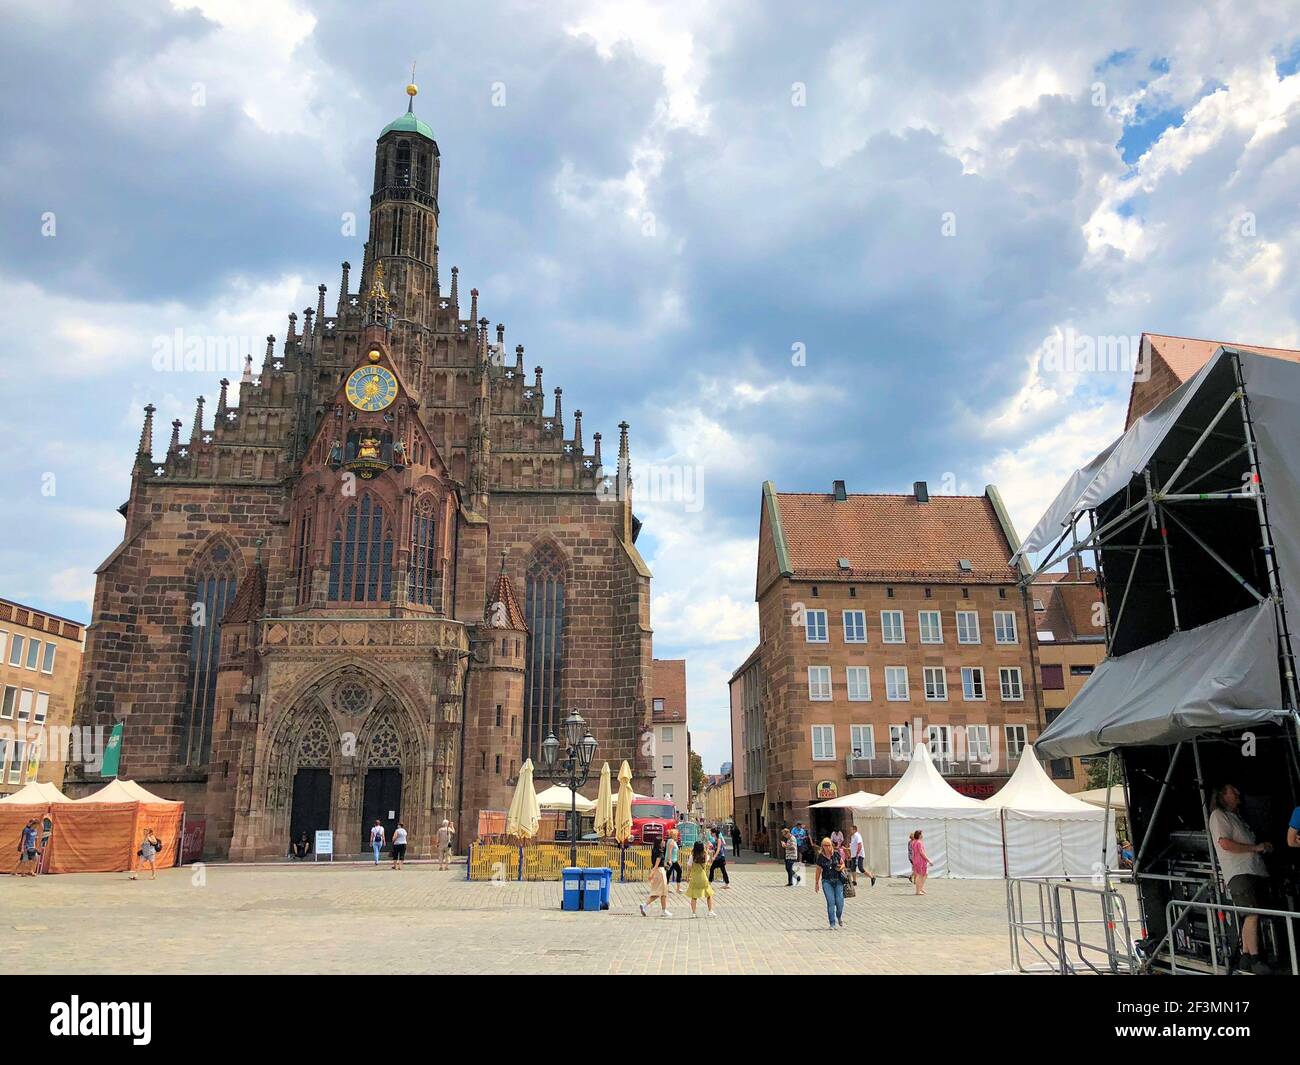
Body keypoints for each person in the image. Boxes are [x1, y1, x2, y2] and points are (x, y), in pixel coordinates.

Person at [1208, 784, 1274, 973]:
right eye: (1233, 791)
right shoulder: (1219, 816)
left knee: (1251, 914)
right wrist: (1255, 848)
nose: (1238, 794)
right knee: (1251, 913)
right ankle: (1254, 957)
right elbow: (1225, 843)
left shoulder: (1235, 816)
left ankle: (1246, 955)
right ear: (1222, 795)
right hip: (1239, 871)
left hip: (1252, 870)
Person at [814, 837, 847, 930]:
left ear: (831, 845)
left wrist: (841, 868)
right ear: (822, 846)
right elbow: (818, 870)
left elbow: (843, 864)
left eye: (828, 845)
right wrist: (816, 883)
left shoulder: (836, 854)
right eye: (825, 845)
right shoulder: (820, 857)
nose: (827, 847)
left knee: (840, 902)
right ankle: (832, 923)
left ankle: (839, 916)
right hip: (826, 881)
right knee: (831, 902)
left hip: (838, 881)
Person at [640, 838, 672, 918]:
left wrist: (665, 866)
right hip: (660, 872)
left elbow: (657, 863)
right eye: (662, 841)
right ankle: (663, 911)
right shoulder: (659, 853)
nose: (664, 842)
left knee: (657, 892)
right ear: (660, 843)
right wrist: (652, 873)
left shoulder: (654, 850)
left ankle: (645, 905)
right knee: (663, 891)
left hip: (659, 870)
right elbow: (656, 864)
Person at [685, 840, 716, 917]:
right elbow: (709, 859)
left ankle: (693, 913)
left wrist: (688, 876)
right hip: (703, 877)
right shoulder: (705, 856)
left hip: (695, 878)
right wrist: (708, 848)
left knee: (694, 896)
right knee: (709, 894)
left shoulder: (692, 856)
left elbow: (689, 867)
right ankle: (710, 911)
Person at [911, 829, 930, 895]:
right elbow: (921, 852)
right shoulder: (919, 842)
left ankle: (920, 888)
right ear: (919, 835)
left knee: (924, 874)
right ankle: (918, 890)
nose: (922, 835)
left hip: (916, 860)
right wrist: (928, 860)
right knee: (920, 875)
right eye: (921, 834)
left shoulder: (914, 842)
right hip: (920, 860)